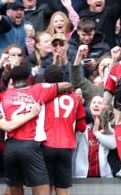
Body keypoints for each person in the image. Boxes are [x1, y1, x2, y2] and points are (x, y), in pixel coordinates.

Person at [0, 65, 72, 195]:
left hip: (9, 147)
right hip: (29, 145)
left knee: (13, 189)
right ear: (28, 79)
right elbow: (66, 84)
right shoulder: (37, 89)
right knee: (42, 189)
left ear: (12, 81)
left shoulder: (3, 95)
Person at [42, 65, 87, 194]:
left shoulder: (42, 96)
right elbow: (82, 127)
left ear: (45, 81)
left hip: (46, 144)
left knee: (45, 186)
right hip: (66, 146)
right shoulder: (75, 98)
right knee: (62, 186)